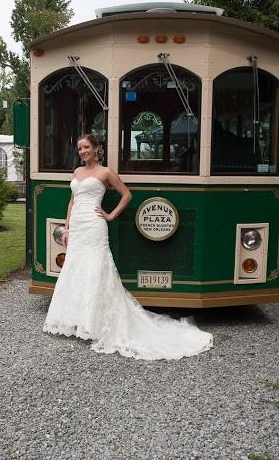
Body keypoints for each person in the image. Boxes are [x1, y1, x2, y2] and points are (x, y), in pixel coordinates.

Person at [42, 134, 213, 360]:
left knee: (96, 270)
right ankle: (78, 320)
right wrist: (67, 229)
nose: (82, 152)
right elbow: (72, 202)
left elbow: (127, 195)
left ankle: (96, 323)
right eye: (80, 149)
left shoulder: (106, 172)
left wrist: (110, 215)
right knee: (75, 269)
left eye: (86, 148)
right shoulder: (77, 172)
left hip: (94, 226)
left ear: (96, 149)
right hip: (78, 227)